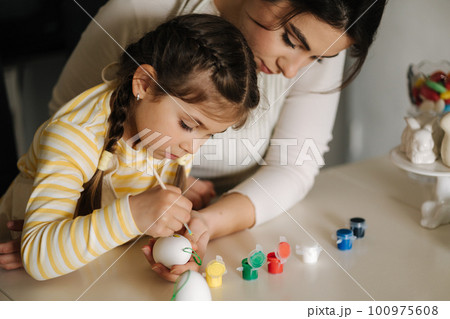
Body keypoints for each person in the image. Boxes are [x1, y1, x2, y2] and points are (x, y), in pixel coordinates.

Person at [1, 0, 387, 279]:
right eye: (290, 39)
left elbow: (294, 165)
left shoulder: (166, 134)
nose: (292, 72)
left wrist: (189, 219)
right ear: (144, 83)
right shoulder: (86, 127)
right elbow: (69, 150)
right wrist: (66, 227)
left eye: (317, 59)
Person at [0, 14, 259, 280]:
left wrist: (175, 247)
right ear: (144, 84)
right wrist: (133, 215)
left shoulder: (166, 138)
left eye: (210, 135)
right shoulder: (75, 136)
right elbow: (39, 259)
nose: (193, 149)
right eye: (187, 125)